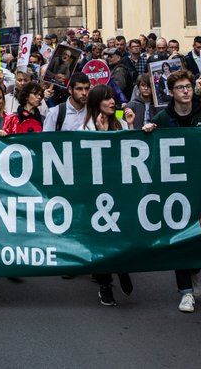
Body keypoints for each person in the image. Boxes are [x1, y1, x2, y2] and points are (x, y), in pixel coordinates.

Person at [142, 70, 201, 313]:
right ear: (171, 92)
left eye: (189, 86)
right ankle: (185, 292)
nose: (186, 91)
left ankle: (194, 271)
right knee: (180, 238)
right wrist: (147, 132)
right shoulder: (162, 118)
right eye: (181, 87)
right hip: (174, 190)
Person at [82, 84, 135, 305]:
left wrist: (131, 126)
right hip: (97, 194)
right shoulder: (86, 128)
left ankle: (121, 266)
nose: (113, 102)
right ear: (96, 104)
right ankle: (105, 286)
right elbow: (88, 161)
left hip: (120, 190)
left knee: (121, 234)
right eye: (107, 99)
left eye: (113, 98)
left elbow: (134, 152)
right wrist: (101, 136)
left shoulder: (120, 123)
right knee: (102, 239)